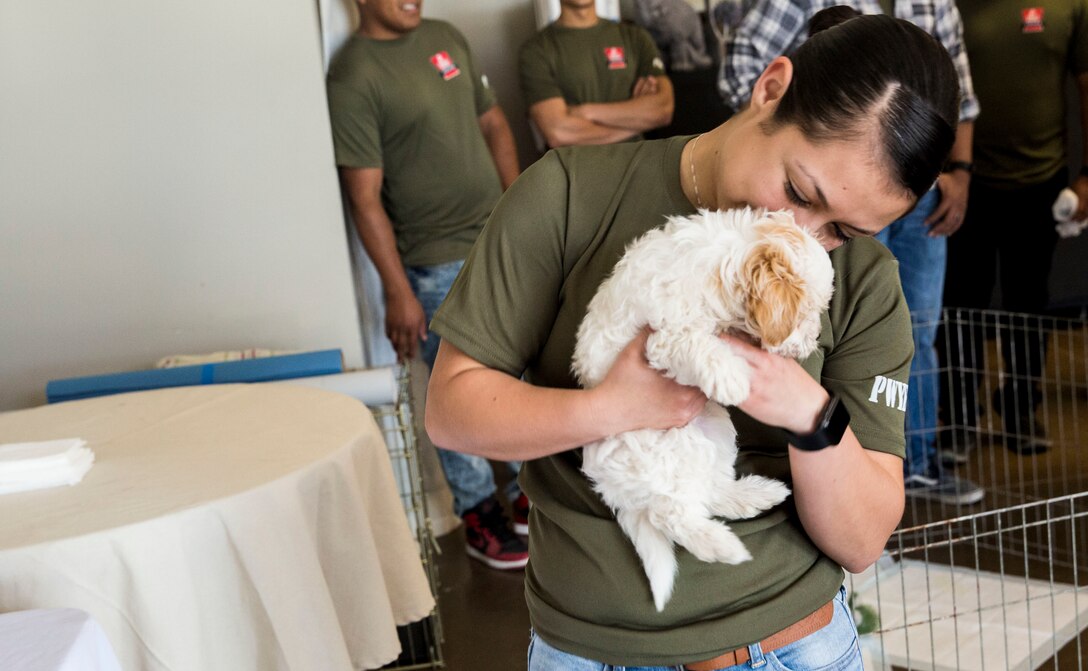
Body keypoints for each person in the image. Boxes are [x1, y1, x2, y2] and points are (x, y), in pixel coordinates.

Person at [426, 11, 959, 669]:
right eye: (797, 191)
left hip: (792, 646)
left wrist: (808, 414)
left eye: (842, 231)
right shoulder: (569, 196)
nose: (799, 237)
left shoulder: (865, 282)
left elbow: (862, 539)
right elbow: (450, 410)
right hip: (594, 647)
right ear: (770, 87)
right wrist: (611, 407)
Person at [720, 0, 984, 506]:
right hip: (831, 169)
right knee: (830, 324)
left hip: (907, 194)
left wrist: (957, 171)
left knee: (918, 326)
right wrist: (783, 122)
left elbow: (963, 100)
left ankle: (915, 462)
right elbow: (741, 60)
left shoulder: (935, 4)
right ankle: (839, 469)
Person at [325, 0, 529, 570]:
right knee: (458, 394)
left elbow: (492, 123)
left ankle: (523, 496)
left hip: (497, 240)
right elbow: (364, 198)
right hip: (433, 261)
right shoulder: (354, 74)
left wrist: (522, 213)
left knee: (516, 374)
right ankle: (478, 514)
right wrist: (397, 290)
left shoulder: (445, 36)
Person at [940, 0, 1088, 457]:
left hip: (1040, 180)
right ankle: (959, 418)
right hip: (962, 183)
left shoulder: (1072, 4)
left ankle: (1020, 410)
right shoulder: (946, 4)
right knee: (961, 303)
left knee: (1029, 301)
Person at [518, 0, 674, 149]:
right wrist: (639, 122)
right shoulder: (536, 51)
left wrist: (586, 111)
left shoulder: (636, 37)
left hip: (639, 165)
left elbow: (664, 108)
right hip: (576, 171)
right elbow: (559, 132)